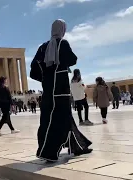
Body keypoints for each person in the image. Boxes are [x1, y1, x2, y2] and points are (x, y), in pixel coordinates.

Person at [30, 19, 92, 162]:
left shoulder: (43, 47)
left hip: (48, 90)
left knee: (53, 118)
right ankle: (48, 152)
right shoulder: (62, 43)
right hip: (61, 90)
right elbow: (72, 59)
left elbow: (34, 69)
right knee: (58, 119)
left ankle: (78, 146)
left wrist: (46, 78)